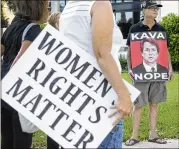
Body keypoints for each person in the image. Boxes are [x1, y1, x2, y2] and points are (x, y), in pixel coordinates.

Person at [60, 1, 132, 148]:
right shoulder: (100, 4)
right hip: (102, 99)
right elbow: (102, 54)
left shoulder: (69, 7)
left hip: (75, 97)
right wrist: (124, 95)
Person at [1, 1, 49, 148]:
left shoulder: (13, 25)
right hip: (20, 96)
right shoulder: (34, 30)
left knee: (7, 141)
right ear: (38, 7)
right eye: (47, 7)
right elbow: (20, 62)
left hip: (4, 91)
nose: (48, 11)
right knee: (22, 142)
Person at [125, 0, 173, 146]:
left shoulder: (161, 29)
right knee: (138, 105)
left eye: (156, 9)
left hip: (158, 74)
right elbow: (129, 53)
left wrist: (169, 68)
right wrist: (129, 68)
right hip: (140, 74)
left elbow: (166, 51)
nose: (155, 11)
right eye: (152, 8)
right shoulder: (134, 29)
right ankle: (134, 136)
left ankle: (153, 134)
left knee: (154, 104)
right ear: (144, 10)